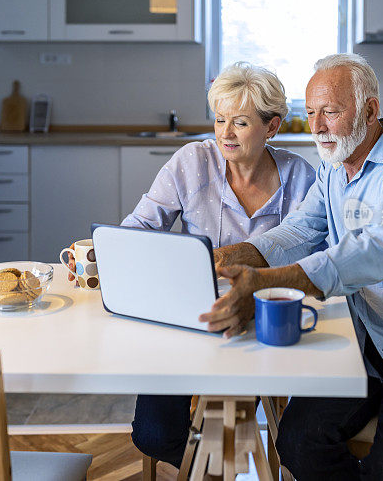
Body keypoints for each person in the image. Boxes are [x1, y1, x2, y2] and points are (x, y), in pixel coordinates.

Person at [202, 53, 383, 480]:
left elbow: (373, 251)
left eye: (330, 112)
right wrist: (226, 257)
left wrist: (266, 279)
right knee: (296, 443)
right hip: (359, 355)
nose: (316, 127)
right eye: (311, 113)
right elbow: (295, 232)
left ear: (369, 110)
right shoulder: (332, 171)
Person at [68, 62, 317, 467]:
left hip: (260, 321)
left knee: (229, 425)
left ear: (272, 127)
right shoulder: (191, 162)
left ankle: (223, 461)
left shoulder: (302, 177)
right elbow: (140, 226)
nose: (225, 133)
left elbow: (316, 255)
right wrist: (104, 254)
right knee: (153, 434)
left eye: (239, 122)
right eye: (219, 120)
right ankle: (213, 465)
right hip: (186, 314)